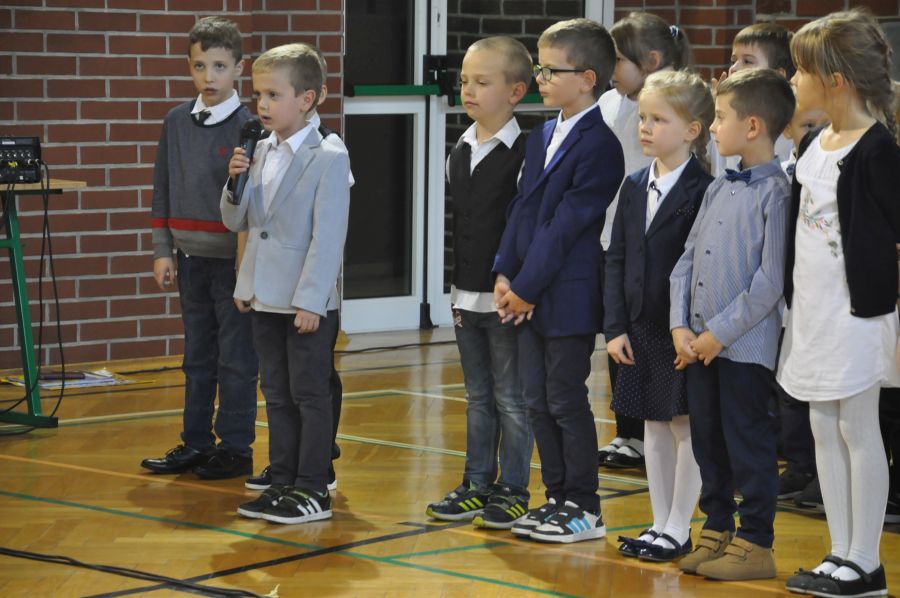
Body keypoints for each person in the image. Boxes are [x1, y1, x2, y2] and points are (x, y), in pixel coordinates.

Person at [778, 10, 900, 596]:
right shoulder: (813, 141)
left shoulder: (878, 150)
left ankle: (866, 561)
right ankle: (840, 550)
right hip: (814, 310)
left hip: (857, 312)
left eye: (801, 71)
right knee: (823, 425)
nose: (793, 81)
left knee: (857, 425)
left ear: (835, 80)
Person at [492, 18, 624, 543]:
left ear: (587, 79)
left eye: (551, 70)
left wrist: (526, 287)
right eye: (539, 67)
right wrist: (505, 272)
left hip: (565, 292)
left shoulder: (601, 145)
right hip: (528, 287)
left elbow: (567, 225)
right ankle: (555, 498)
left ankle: (584, 505)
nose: (540, 78)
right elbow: (522, 210)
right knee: (535, 400)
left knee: (565, 399)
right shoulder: (543, 135)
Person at [670, 68, 794, 580]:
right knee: (708, 441)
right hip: (699, 344)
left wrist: (718, 334)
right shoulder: (719, 186)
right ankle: (717, 527)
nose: (714, 127)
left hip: (742, 347)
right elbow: (686, 258)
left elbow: (770, 282)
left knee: (747, 442)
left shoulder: (777, 193)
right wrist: (680, 327)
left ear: (753, 126)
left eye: (721, 117)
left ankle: (756, 541)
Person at [223, 43, 351, 525]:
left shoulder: (329, 155)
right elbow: (240, 221)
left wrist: (312, 301)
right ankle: (282, 479)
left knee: (309, 394)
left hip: (305, 301)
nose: (262, 105)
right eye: (258, 95)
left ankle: (313, 486)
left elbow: (328, 237)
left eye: (273, 95)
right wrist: (233, 182)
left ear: (307, 98)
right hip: (264, 295)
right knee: (275, 393)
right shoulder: (260, 149)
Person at [424, 36, 534, 530]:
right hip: (465, 295)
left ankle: (513, 487)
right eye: (465, 80)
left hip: (505, 297)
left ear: (515, 92)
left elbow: (521, 228)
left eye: (482, 82)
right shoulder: (460, 148)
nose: (468, 90)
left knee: (511, 397)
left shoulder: (525, 153)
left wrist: (517, 284)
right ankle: (476, 482)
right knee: (477, 396)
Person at [142, 16, 258, 480]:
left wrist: (245, 266)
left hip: (231, 262)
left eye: (219, 66)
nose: (208, 77)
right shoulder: (175, 122)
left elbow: (250, 203)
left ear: (239, 69)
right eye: (199, 66)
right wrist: (162, 249)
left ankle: (236, 448)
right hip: (188, 260)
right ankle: (195, 442)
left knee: (236, 359)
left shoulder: (250, 126)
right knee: (197, 358)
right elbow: (162, 187)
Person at [605, 70, 714, 562]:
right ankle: (658, 521)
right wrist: (614, 327)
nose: (645, 127)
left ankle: (679, 525)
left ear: (692, 129)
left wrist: (689, 327)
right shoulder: (633, 185)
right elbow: (616, 257)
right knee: (652, 423)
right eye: (643, 118)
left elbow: (701, 266)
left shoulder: (704, 190)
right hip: (638, 325)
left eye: (659, 119)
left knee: (683, 425)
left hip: (680, 329)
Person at [597, 11, 692, 470]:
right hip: (616, 234)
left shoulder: (676, 103)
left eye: (618, 59)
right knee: (621, 332)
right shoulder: (611, 102)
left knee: (658, 335)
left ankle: (668, 426)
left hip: (663, 237)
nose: (610, 68)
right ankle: (628, 431)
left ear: (651, 60)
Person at [775, 104, 830, 506]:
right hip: (793, 297)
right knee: (789, 390)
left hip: (825, 297)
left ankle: (822, 474)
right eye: (806, 125)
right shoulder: (784, 171)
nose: (812, 133)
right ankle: (800, 466)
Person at [710, 22, 795, 175]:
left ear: (777, 75)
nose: (734, 68)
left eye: (747, 61)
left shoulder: (792, 126)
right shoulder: (725, 119)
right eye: (733, 61)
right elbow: (718, 172)